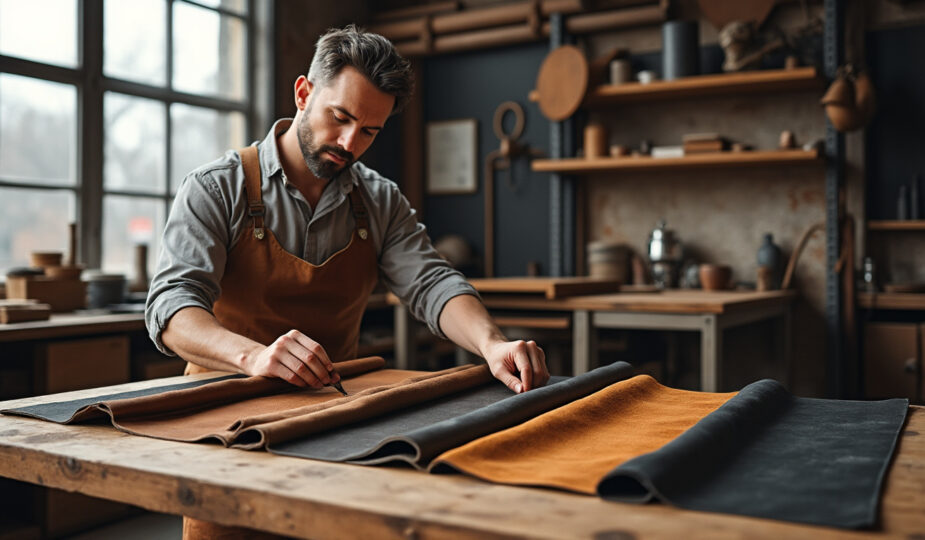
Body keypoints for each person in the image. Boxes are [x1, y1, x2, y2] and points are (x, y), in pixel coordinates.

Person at [145, 25, 550, 538]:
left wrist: (492, 345)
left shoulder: (380, 202)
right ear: (303, 92)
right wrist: (254, 357)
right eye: (340, 117)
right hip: (223, 424)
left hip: (334, 422)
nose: (349, 143)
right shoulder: (216, 187)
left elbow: (431, 283)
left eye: (369, 132)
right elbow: (172, 306)